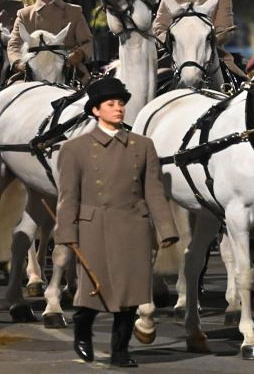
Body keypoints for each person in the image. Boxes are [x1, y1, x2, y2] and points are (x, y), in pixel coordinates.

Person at [55, 77, 178, 367]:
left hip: (134, 226)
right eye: (111, 104)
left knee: (130, 294)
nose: (119, 109)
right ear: (96, 110)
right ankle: (82, 329)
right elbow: (67, 196)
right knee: (93, 291)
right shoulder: (75, 148)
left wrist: (166, 229)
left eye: (121, 103)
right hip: (93, 227)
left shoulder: (142, 145)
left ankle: (121, 350)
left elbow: (154, 191)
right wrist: (66, 233)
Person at [6, 0, 94, 74]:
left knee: (91, 89)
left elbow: (87, 42)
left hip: (69, 69)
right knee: (13, 90)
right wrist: (19, 63)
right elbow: (14, 45)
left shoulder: (74, 11)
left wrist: (79, 54)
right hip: (31, 69)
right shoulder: (24, 15)